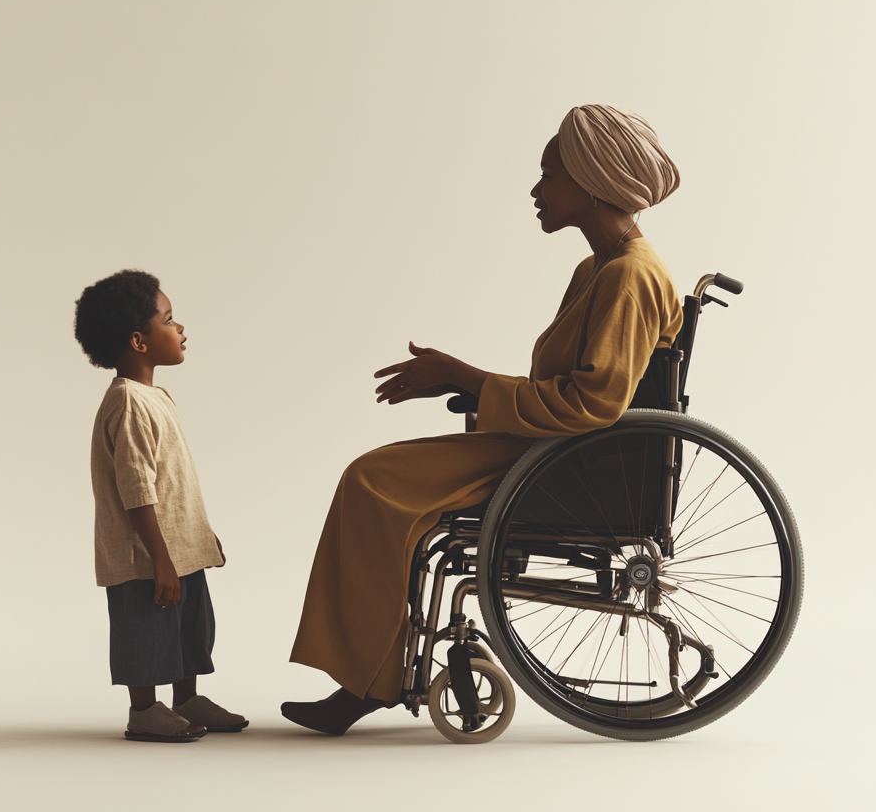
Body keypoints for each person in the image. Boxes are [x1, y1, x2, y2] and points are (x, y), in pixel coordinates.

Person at [282, 104, 684, 735]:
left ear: (591, 182)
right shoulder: (599, 269)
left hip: (570, 462)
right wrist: (460, 381)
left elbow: (593, 404)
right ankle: (369, 675)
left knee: (371, 481)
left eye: (549, 174)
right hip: (552, 448)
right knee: (374, 478)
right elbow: (573, 391)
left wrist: (467, 378)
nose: (535, 190)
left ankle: (369, 681)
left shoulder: (630, 277)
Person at [74, 270, 248, 742]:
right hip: (146, 557)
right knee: (147, 629)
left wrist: (198, 534)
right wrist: (161, 558)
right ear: (139, 341)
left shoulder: (155, 397)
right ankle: (144, 710)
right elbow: (137, 489)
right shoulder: (129, 402)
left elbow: (174, 482)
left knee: (189, 626)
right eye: (170, 320)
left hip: (178, 548)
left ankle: (186, 699)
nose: (181, 328)